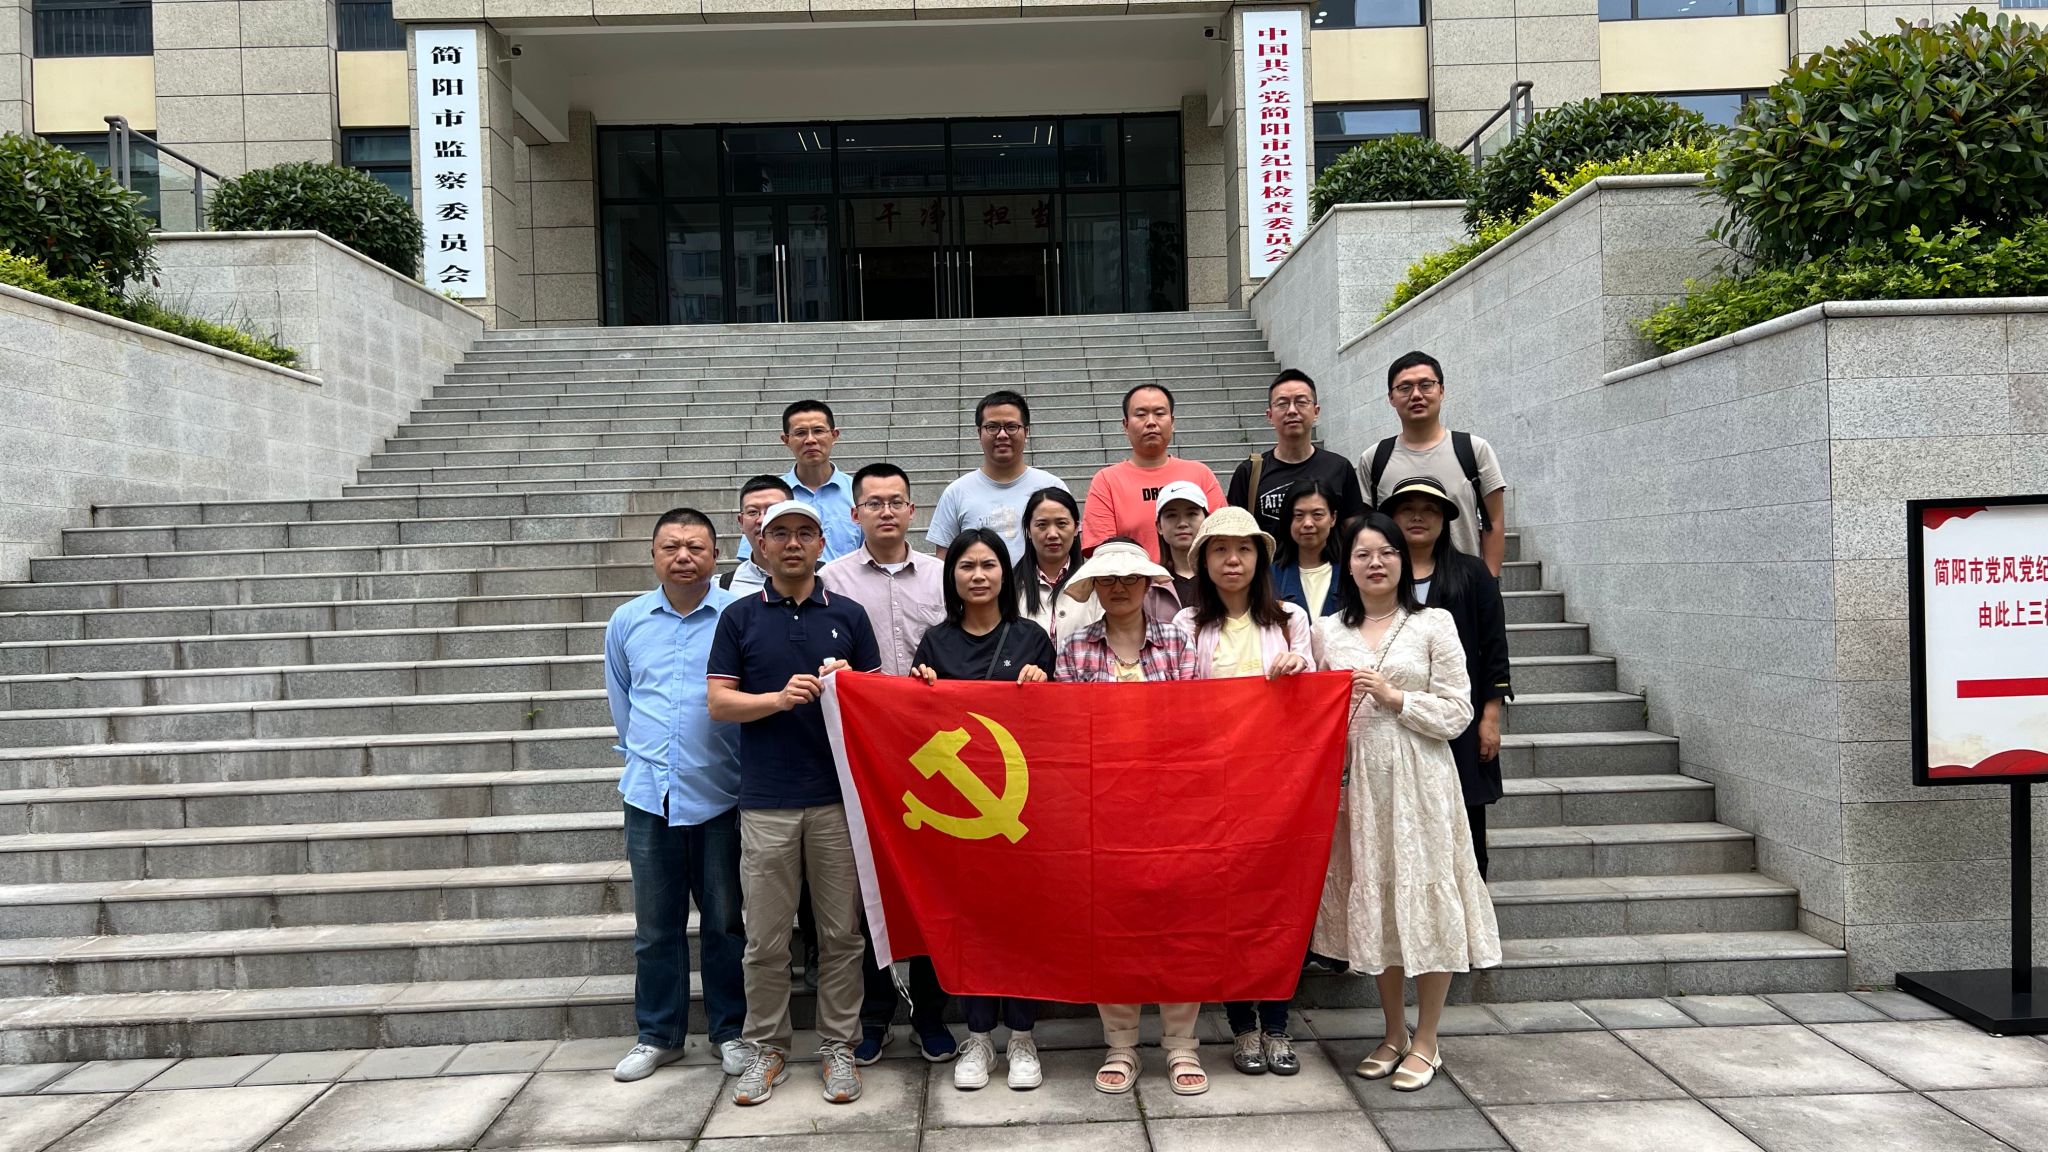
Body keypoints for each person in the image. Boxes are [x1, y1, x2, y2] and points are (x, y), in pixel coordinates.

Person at [1311, 512, 1501, 1094]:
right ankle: (1394, 1032)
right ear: (1347, 565)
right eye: (1363, 553)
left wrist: (1396, 699)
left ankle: (1428, 1040)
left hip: (1422, 779)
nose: (1376, 563)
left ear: (1403, 560)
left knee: (1427, 896)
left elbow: (1458, 711)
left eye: (1387, 552)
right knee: (1383, 902)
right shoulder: (1327, 633)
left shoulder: (1433, 623)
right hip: (1360, 785)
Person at [707, 500, 883, 1107]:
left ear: (820, 543)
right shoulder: (738, 617)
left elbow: (878, 703)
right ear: (760, 544)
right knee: (766, 939)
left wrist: (850, 684)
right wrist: (778, 700)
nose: (791, 543)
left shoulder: (849, 614)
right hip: (766, 802)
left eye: (804, 533)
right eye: (778, 533)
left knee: (841, 935)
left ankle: (839, 1046)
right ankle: (768, 1048)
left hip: (837, 800)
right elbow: (720, 704)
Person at [1052, 538, 1207, 1097]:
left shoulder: (1178, 641)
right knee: (1111, 923)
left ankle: (1182, 1043)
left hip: (1171, 804)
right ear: (1093, 586)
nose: (1119, 587)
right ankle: (1120, 1043)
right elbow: (1067, 730)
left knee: (1178, 922)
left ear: (1147, 584)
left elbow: (1195, 721)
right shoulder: (1073, 647)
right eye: (1108, 579)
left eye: (1130, 578)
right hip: (1101, 805)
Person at [908, 527, 1058, 1092]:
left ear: (1005, 573)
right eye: (966, 566)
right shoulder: (935, 643)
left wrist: (1044, 682)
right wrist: (920, 687)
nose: (977, 575)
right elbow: (919, 726)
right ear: (952, 576)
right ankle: (976, 1036)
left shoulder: (1032, 638)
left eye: (988, 565)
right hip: (960, 817)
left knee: (1022, 923)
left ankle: (1021, 1036)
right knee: (968, 922)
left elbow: (1059, 727)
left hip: (1024, 808)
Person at [605, 508, 751, 1084]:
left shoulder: (738, 616)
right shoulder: (628, 620)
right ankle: (658, 1035)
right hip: (650, 794)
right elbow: (622, 701)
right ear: (653, 554)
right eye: (671, 547)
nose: (683, 557)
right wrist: (650, 757)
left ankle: (729, 1032)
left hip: (721, 792)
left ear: (716, 555)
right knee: (655, 927)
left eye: (695, 547)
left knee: (725, 923)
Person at [1167, 506, 1314, 1078]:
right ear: (1203, 560)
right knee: (1225, 904)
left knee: (1277, 902)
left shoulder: (1291, 619)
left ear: (1260, 559)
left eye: (1245, 549)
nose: (1233, 560)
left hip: (1278, 787)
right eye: (1221, 550)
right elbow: (1180, 706)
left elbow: (1315, 702)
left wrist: (1301, 668)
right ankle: (1242, 1026)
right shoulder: (1186, 625)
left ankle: (1277, 1024)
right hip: (1212, 788)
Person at [819, 463, 955, 1065]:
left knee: (927, 885)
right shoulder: (832, 580)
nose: (886, 511)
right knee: (864, 889)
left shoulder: (944, 576)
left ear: (912, 510)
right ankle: (873, 1016)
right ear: (855, 514)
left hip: (933, 756)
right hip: (863, 755)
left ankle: (929, 1014)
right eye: (873, 503)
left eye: (896, 501)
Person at [1385, 476, 1513, 878]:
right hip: (1398, 716)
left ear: (1444, 519)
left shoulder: (1472, 574)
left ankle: (1472, 898)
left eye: (1429, 510)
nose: (1418, 517)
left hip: (1458, 717)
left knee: (1465, 818)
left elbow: (1494, 647)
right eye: (1407, 509)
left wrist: (1489, 717)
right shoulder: (1381, 574)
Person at [1362, 352, 1508, 575]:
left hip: (1462, 583)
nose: (1416, 395)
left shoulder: (1474, 450)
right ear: (1391, 398)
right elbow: (1365, 529)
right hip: (1395, 585)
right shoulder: (1374, 458)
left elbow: (1494, 523)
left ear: (1441, 390)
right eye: (1405, 388)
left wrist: (1489, 582)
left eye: (1426, 385)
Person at [1080, 384, 1226, 557]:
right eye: (1141, 414)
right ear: (1126, 425)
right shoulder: (1107, 481)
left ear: (1172, 422)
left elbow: (1221, 538)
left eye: (1159, 413)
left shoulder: (1200, 474)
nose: (1151, 422)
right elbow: (1102, 553)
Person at [926, 389, 1069, 563]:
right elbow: (943, 564)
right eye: (992, 427)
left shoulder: (1052, 487)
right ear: (979, 433)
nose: (1002, 435)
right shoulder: (956, 493)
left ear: (1026, 432)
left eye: (1011, 427)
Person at [1227, 369, 1367, 540]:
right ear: (1270, 415)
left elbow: (1354, 535)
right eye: (1282, 403)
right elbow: (1234, 536)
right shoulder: (1249, 473)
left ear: (1316, 412)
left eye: (1301, 402)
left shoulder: (1340, 468)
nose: (1292, 410)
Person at [737, 399, 863, 563]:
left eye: (818, 431)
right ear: (786, 440)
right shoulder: (771, 495)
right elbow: (754, 556)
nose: (810, 440)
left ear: (834, 435)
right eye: (800, 433)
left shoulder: (857, 493)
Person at [1272, 480, 1345, 619]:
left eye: (1317, 514)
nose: (1307, 523)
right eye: (1299, 515)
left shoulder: (1353, 573)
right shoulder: (1271, 577)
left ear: (1333, 518)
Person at [725, 475, 792, 594]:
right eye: (753, 512)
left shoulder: (823, 577)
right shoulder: (724, 587)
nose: (762, 520)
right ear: (741, 522)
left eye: (772, 510)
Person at [1153, 479, 1209, 608]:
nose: (1182, 523)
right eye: (1172, 515)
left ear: (1207, 520)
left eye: (1191, 514)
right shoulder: (1149, 586)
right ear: (1159, 526)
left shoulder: (1224, 578)